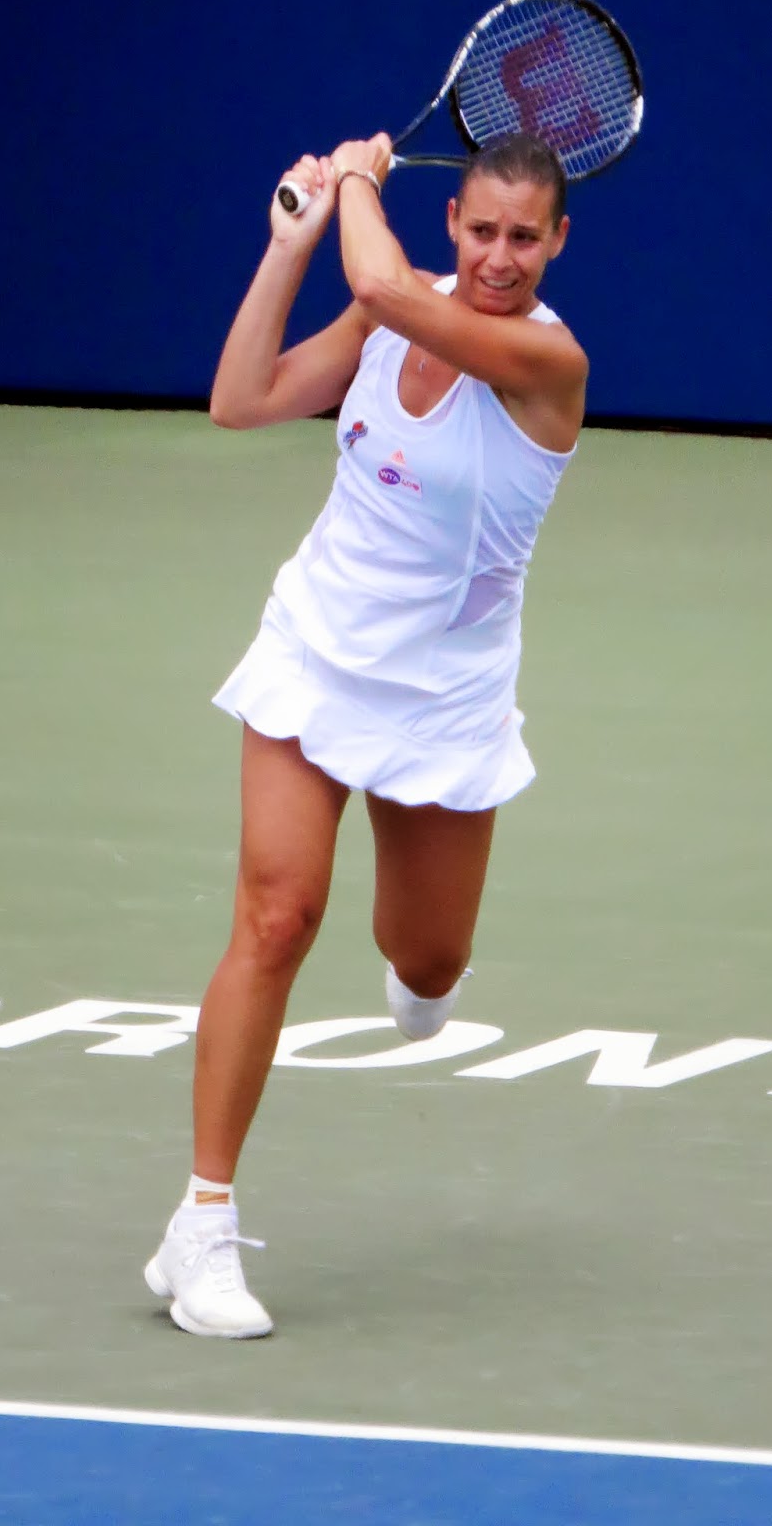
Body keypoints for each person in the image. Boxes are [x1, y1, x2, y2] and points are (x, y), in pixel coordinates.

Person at [144, 129, 588, 1338]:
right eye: (480, 230)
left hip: (443, 700)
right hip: (316, 652)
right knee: (275, 916)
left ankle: (420, 973)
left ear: (556, 242)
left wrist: (349, 180)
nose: (497, 257)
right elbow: (240, 400)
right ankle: (201, 1223)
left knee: (429, 962)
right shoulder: (390, 313)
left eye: (523, 237)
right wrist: (290, 247)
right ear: (452, 224)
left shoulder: (545, 360)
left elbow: (385, 285)